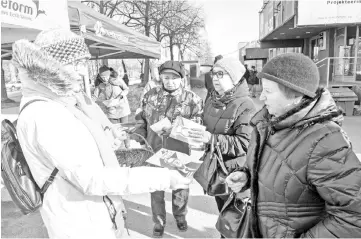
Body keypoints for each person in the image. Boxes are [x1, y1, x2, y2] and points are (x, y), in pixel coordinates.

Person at [12, 28, 191, 239]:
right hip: (82, 225)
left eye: (83, 63)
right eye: (75, 63)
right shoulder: (46, 114)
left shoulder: (60, 103)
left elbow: (82, 158)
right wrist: (165, 177)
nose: (82, 71)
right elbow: (91, 178)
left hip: (95, 214)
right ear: (52, 67)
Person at [225, 53, 361, 238]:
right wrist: (246, 175)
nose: (262, 97)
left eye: (269, 91)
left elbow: (353, 216)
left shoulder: (326, 140)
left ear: (296, 94)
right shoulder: (265, 125)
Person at [135, 60, 203, 238]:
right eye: (166, 77)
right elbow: (141, 118)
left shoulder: (192, 99)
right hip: (154, 148)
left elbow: (198, 125)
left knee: (180, 186)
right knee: (156, 187)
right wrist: (140, 136)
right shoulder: (150, 95)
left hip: (180, 149)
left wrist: (176, 128)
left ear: (181, 79)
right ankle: (158, 221)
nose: (170, 81)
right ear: (161, 78)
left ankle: (180, 216)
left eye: (174, 78)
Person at [187, 57, 256, 216]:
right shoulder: (212, 99)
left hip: (234, 173)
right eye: (214, 74)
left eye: (221, 74)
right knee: (223, 213)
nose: (215, 78)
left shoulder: (246, 105)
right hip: (214, 168)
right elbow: (206, 126)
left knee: (235, 219)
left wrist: (211, 139)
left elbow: (245, 143)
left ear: (235, 78)